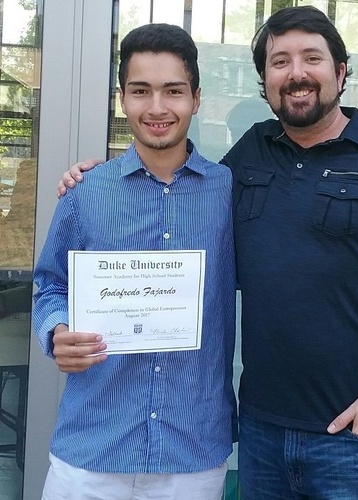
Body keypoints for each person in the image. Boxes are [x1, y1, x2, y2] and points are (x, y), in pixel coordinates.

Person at [58, 6, 358, 499]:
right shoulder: (249, 154)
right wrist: (100, 178)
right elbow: (178, 193)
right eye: (279, 62)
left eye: (311, 58)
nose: (296, 73)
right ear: (266, 82)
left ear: (339, 72)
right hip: (261, 435)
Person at [34, 23, 236, 500]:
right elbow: (50, 285)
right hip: (92, 447)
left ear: (197, 98)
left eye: (174, 91)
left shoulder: (231, 193)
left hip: (192, 450)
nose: (158, 107)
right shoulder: (86, 192)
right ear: (122, 99)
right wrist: (56, 331)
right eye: (141, 91)